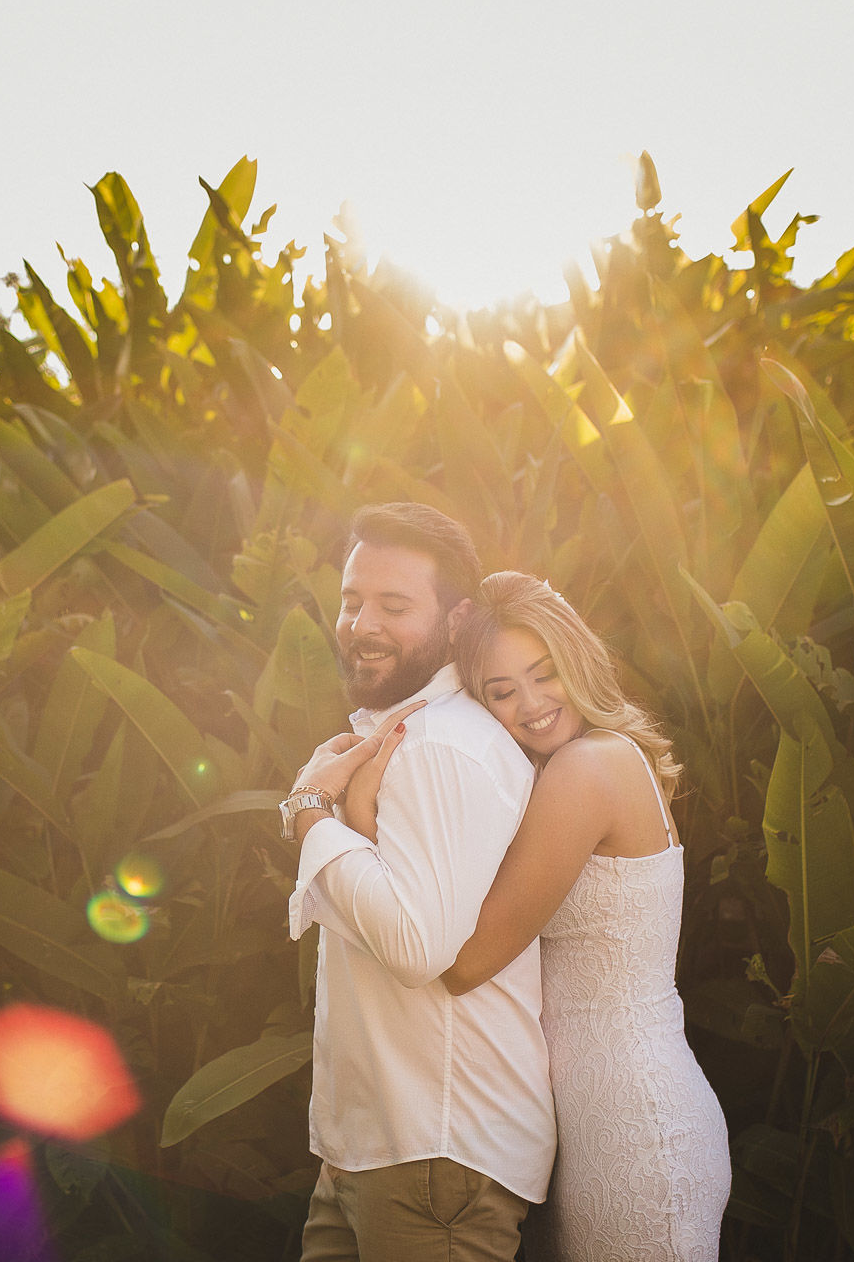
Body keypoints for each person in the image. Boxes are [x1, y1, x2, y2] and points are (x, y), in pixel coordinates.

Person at [317, 570, 731, 1262]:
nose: (532, 705)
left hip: (634, 1124)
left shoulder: (589, 769)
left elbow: (467, 958)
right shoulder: (574, 767)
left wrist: (340, 821)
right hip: (591, 1120)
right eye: (501, 692)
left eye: (546, 676)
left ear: (580, 663)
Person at [284, 504, 556, 1262]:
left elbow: (415, 946)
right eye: (351, 600)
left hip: (436, 1153)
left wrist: (310, 815)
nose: (361, 623)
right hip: (375, 1148)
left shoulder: (441, 746)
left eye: (394, 606)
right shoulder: (400, 735)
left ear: (457, 618)